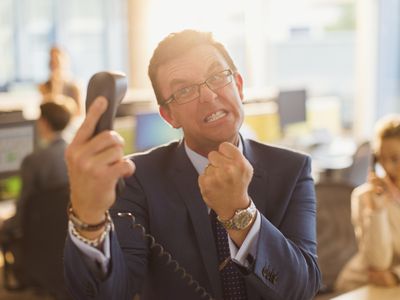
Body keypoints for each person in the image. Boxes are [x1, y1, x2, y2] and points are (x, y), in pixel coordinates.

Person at [63, 29, 321, 300]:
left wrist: (240, 214)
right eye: (184, 90)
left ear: (239, 86)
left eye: (218, 77)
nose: (209, 96)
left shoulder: (292, 170)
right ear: (168, 115)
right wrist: (88, 216)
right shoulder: (136, 178)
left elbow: (302, 290)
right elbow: (109, 294)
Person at [0, 100, 74, 288]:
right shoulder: (76, 153)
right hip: (68, 234)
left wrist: (5, 224)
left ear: (43, 123)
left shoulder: (34, 161)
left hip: (38, 237)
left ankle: (16, 279)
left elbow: (23, 209)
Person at [335, 115, 400, 292]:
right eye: (381, 159)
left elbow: (391, 271)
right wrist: (378, 210)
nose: (387, 167)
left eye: (394, 159)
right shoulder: (364, 197)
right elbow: (380, 262)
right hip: (361, 285)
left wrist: (395, 274)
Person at [38, 46, 82, 115]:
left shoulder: (75, 86)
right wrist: (55, 85)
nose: (54, 64)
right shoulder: (44, 86)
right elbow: (46, 112)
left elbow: (80, 113)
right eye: (52, 61)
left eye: (57, 60)